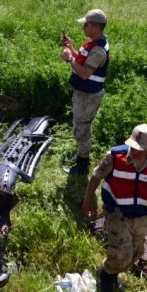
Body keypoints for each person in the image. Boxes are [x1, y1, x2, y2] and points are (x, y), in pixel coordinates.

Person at [82, 124, 147, 292]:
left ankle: (114, 272)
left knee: (136, 253)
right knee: (122, 252)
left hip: (142, 214)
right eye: (133, 145)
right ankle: (106, 273)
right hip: (116, 211)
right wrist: (87, 201)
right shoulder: (115, 155)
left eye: (140, 148)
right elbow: (96, 176)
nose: (134, 150)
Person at [60, 9, 110, 175]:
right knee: (81, 127)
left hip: (88, 97)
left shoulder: (98, 50)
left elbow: (84, 73)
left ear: (96, 27)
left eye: (86, 25)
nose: (83, 28)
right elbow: (82, 61)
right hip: (82, 95)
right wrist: (72, 49)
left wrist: (69, 59)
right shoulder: (92, 42)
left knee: (81, 129)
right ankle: (82, 158)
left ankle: (82, 164)